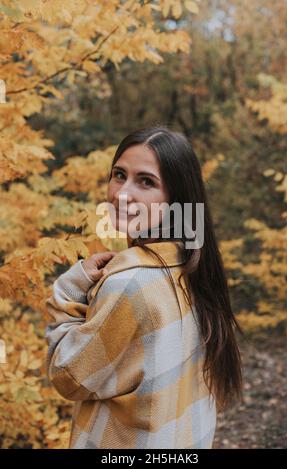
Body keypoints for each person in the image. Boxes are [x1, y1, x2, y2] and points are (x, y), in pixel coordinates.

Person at [45, 126, 243, 449]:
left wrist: (71, 288)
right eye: (119, 175)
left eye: (146, 182)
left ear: (175, 199)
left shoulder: (130, 286)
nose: (122, 194)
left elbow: (67, 375)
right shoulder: (193, 266)